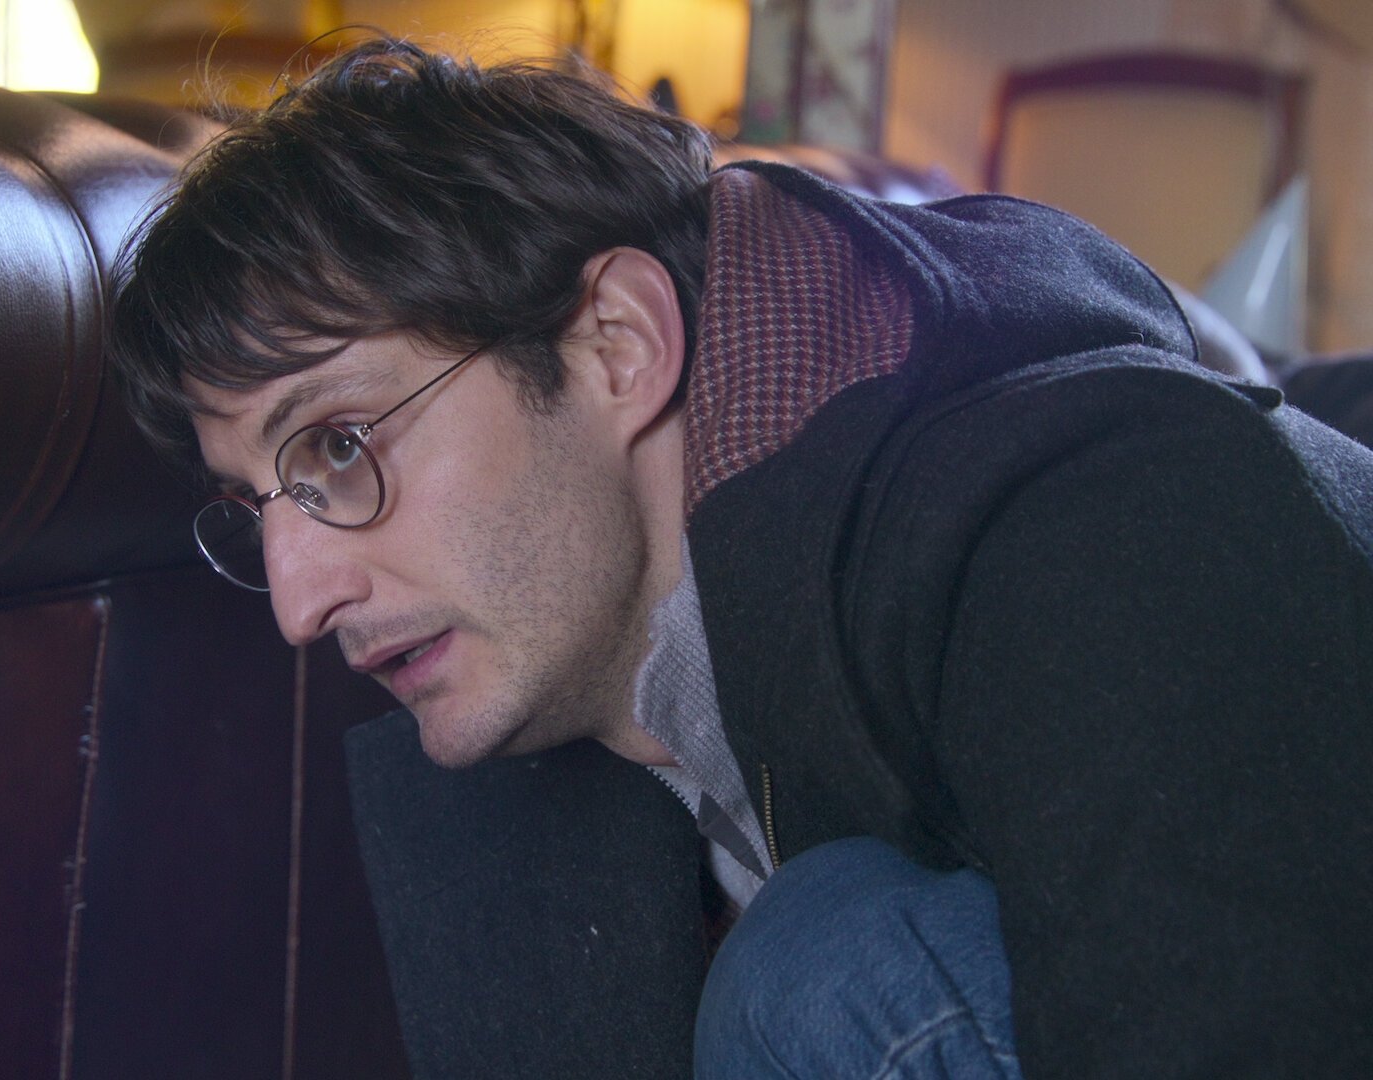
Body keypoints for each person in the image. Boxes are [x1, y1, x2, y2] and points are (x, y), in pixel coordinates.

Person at [108, 38, 1373, 1079]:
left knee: (821, 971)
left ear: (616, 344)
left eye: (339, 444)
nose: (297, 600)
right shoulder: (570, 667)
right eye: (258, 505)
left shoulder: (1088, 531)